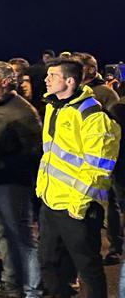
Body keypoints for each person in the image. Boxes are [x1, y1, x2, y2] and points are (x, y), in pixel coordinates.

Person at [36, 58, 121, 298]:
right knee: (49, 263)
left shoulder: (93, 116)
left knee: (88, 269)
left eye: (52, 75)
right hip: (51, 201)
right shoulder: (54, 106)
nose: (46, 79)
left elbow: (98, 168)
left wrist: (77, 206)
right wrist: (44, 193)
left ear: (70, 81)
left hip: (77, 208)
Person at [0, 62, 43, 298]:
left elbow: (34, 154)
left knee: (22, 236)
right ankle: (11, 281)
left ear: (5, 82)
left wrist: (4, 167)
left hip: (11, 185)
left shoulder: (22, 112)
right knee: (3, 232)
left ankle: (32, 289)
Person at [74, 53, 124, 263]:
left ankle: (116, 247)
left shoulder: (104, 94)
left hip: (110, 161)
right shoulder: (80, 93)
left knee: (115, 204)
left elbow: (115, 127)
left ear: (91, 70)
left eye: (78, 67)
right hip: (87, 159)